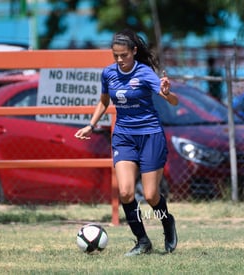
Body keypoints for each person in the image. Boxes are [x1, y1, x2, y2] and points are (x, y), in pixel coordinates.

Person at [75, 29, 179, 256]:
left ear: (134, 51)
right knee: (125, 192)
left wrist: (167, 92)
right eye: (115, 56)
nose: (120, 60)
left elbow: (172, 101)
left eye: (124, 55)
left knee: (151, 195)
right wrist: (91, 125)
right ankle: (142, 241)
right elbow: (104, 102)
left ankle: (167, 221)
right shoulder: (108, 73)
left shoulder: (145, 73)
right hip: (124, 137)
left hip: (150, 135)